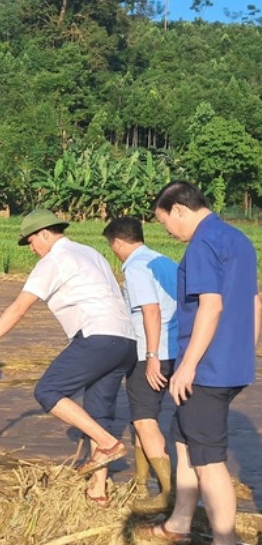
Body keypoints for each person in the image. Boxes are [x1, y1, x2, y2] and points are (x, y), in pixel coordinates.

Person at [0, 209, 137, 505]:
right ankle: (98, 491)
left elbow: (19, 307)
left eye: (30, 242)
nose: (32, 249)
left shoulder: (53, 260)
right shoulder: (90, 253)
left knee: (48, 390)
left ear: (45, 234)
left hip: (97, 335)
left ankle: (108, 443)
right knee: (98, 412)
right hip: (126, 340)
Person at [136, 181, 259, 545]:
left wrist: (187, 365)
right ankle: (179, 524)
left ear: (179, 210)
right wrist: (249, 349)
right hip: (231, 362)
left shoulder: (203, 243)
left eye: (165, 223)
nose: (169, 232)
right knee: (183, 438)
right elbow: (255, 300)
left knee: (208, 458)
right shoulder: (238, 238)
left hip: (207, 366)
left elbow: (211, 306)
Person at [103, 216, 178, 513]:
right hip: (178, 350)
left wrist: (150, 357)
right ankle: (140, 481)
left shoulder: (136, 267)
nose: (114, 252)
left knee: (145, 420)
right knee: (140, 415)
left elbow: (151, 311)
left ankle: (168, 493)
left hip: (153, 351)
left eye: (113, 247)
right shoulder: (166, 261)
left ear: (119, 242)